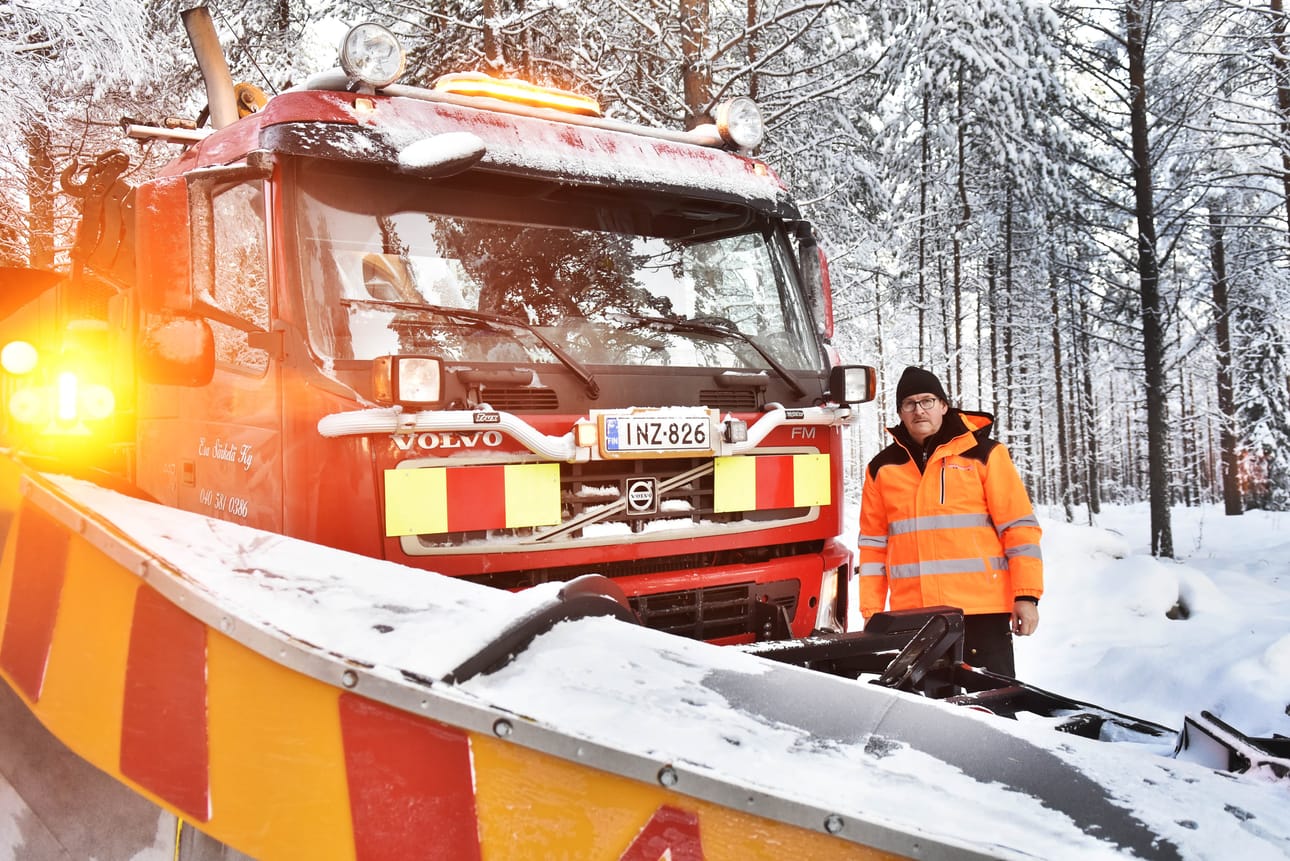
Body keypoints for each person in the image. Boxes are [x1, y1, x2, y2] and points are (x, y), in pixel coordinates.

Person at [857, 366, 1043, 675]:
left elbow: (1018, 528)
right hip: (914, 617)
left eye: (928, 400)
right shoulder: (882, 468)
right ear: (900, 413)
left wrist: (1027, 595)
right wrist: (872, 612)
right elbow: (873, 547)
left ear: (944, 405)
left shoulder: (985, 454)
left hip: (981, 612)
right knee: (928, 715)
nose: (919, 410)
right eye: (909, 403)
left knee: (992, 708)